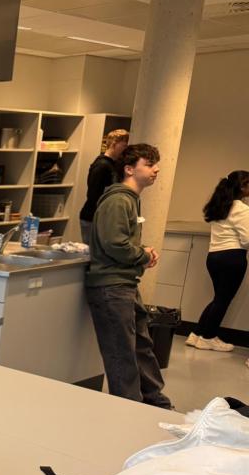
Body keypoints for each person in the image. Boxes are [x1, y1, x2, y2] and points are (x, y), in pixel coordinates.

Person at [85, 143, 173, 410]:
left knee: (141, 347)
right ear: (129, 169)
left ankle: (155, 402)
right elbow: (114, 243)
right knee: (121, 353)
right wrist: (142, 255)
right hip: (111, 286)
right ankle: (129, 409)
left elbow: (120, 241)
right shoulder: (118, 201)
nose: (156, 170)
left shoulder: (130, 199)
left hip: (124, 284)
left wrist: (141, 251)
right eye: (149, 164)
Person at [186, 170, 249, 352]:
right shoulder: (242, 209)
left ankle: (197, 334)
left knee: (219, 298)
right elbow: (247, 240)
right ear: (242, 187)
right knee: (223, 300)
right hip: (233, 258)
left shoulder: (221, 205)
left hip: (214, 257)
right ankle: (208, 338)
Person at [79, 129, 129, 244]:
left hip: (102, 216)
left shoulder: (114, 164)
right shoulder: (102, 165)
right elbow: (93, 195)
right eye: (124, 146)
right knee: (93, 252)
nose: (125, 150)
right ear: (114, 144)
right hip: (93, 216)